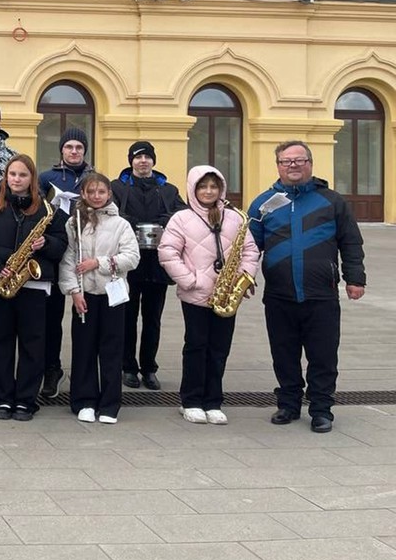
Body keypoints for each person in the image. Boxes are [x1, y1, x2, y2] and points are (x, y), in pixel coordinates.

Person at [248, 141, 366, 434]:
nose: (293, 166)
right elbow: (250, 247)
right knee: (283, 352)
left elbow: (350, 241)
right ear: (278, 166)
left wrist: (355, 278)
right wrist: (245, 276)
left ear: (310, 164)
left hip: (321, 295)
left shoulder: (332, 201)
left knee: (323, 354)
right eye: (286, 161)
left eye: (299, 160)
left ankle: (321, 409)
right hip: (278, 294)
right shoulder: (263, 202)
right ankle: (288, 404)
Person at [158, 165, 260, 425]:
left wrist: (244, 275)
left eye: (213, 186)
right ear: (193, 188)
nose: (208, 191)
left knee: (219, 349)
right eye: (203, 186)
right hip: (196, 294)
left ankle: (213, 401)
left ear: (221, 189)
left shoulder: (235, 218)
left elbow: (249, 250)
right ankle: (190, 400)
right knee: (196, 346)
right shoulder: (181, 219)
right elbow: (167, 252)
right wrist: (190, 280)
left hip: (227, 293)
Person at [0, 154, 67, 422]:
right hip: (3, 282)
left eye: (22, 175)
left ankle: (26, 400)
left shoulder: (48, 211)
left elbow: (62, 244)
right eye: (12, 174)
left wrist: (47, 244)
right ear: (6, 177)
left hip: (34, 286)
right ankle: (2, 398)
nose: (16, 179)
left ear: (32, 179)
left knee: (33, 344)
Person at [60, 172, 140, 425]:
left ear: (109, 194)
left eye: (101, 192)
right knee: (84, 349)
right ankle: (84, 400)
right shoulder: (74, 223)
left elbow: (132, 257)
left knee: (111, 350)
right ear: (83, 194)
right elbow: (68, 260)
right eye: (91, 192)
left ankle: (109, 403)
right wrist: (74, 292)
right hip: (84, 296)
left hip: (112, 296)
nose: (96, 196)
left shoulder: (121, 225)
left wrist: (99, 263)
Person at [112, 140, 185, 391]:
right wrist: (129, 222)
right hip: (129, 263)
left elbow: (181, 214)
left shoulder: (167, 189)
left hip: (157, 264)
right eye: (138, 157)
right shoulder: (118, 187)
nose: (143, 161)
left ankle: (149, 368)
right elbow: (110, 212)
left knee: (153, 319)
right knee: (127, 317)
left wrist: (164, 221)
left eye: (147, 157)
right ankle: (128, 367)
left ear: (153, 161)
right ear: (131, 160)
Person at [38, 127, 93, 401]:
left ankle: (87, 374)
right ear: (61, 150)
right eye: (69, 147)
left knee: (88, 316)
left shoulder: (93, 179)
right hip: (55, 252)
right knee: (51, 318)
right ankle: (51, 368)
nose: (74, 151)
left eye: (79, 147)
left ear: (85, 151)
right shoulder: (47, 178)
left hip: (87, 254)